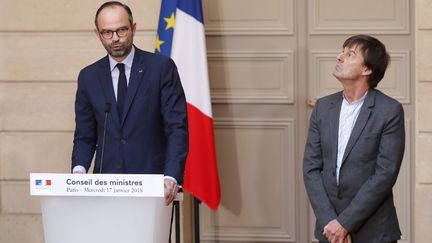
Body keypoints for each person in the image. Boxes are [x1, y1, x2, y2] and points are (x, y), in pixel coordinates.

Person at [71, 1, 188, 206]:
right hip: (104, 188)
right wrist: (78, 172)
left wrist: (171, 176)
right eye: (107, 32)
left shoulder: (160, 68)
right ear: (97, 34)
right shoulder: (89, 77)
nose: (115, 38)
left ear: (133, 28)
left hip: (153, 187)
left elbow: (177, 127)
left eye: (121, 30)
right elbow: (84, 136)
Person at [303, 35, 405, 243]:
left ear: (367, 69)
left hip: (374, 233)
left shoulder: (389, 111)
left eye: (350, 54)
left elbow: (385, 174)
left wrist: (345, 224)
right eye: (342, 51)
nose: (339, 57)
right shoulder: (322, 107)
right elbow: (311, 168)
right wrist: (330, 223)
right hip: (328, 231)